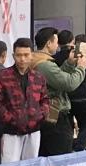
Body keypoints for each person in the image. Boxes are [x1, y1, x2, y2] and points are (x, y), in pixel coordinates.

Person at [0, 38, 51, 162]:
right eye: (19, 55)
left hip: (34, 130)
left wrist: (40, 116)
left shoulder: (38, 77)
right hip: (11, 131)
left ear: (31, 55)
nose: (22, 59)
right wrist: (11, 119)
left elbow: (45, 100)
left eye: (26, 55)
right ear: (13, 56)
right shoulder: (2, 76)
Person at [33, 27, 82, 155]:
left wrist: (69, 63)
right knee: (60, 155)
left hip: (44, 114)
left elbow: (57, 78)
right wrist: (81, 68)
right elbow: (68, 83)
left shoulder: (37, 59)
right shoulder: (44, 64)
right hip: (54, 116)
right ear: (49, 43)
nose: (57, 45)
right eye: (56, 42)